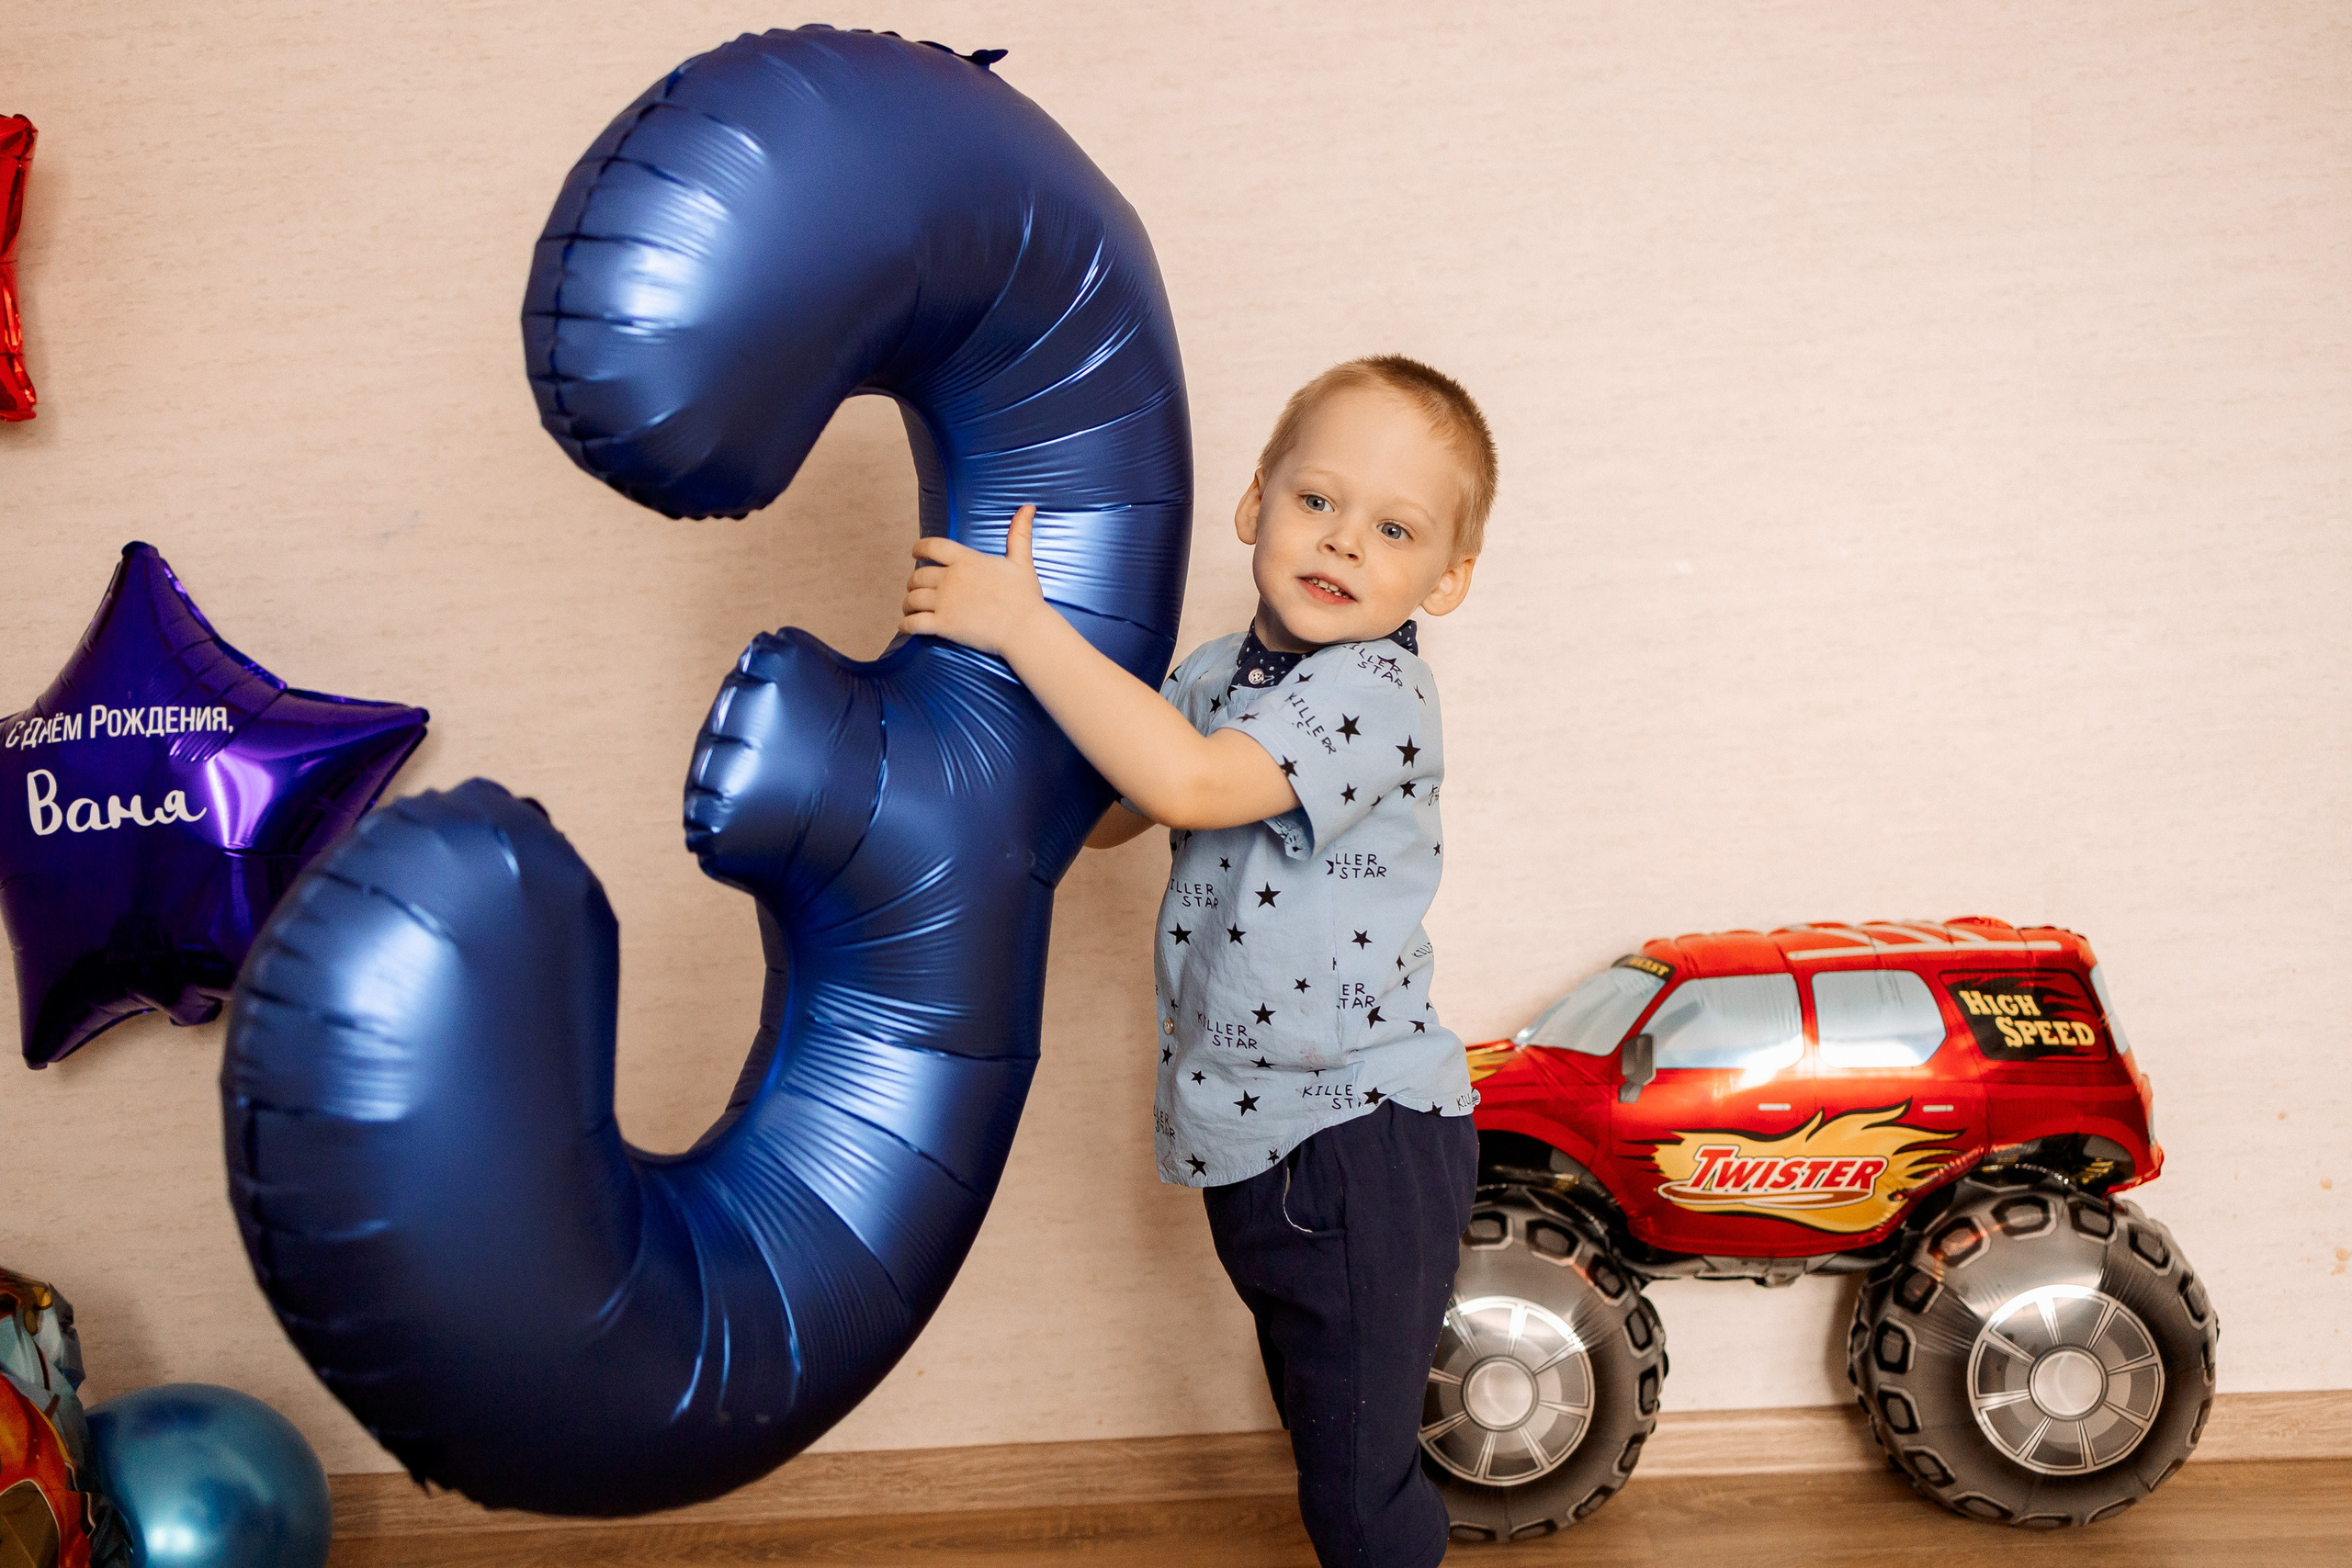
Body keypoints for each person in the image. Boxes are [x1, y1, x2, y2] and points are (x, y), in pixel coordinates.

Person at [900, 354, 1494, 1568]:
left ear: (1448, 579)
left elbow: (1188, 780)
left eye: (1392, 528)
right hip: (1251, 1139)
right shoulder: (1220, 674)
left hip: (1358, 1136)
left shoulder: (1377, 692)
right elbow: (1123, 804)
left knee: (1361, 1488)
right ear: (1254, 504)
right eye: (1315, 502)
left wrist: (1026, 626)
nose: (1341, 544)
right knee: (1323, 1430)